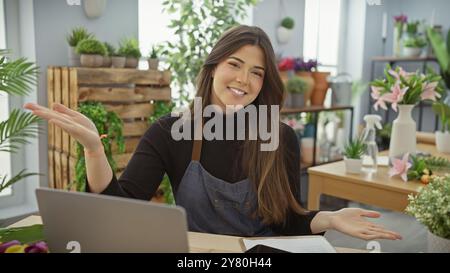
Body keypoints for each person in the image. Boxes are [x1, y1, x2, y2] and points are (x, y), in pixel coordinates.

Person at [25, 25, 402, 241]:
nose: (244, 80)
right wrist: (94, 150)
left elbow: (288, 222)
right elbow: (122, 205)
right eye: (235, 64)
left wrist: (329, 220)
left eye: (257, 72)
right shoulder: (169, 132)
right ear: (212, 67)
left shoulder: (279, 137)